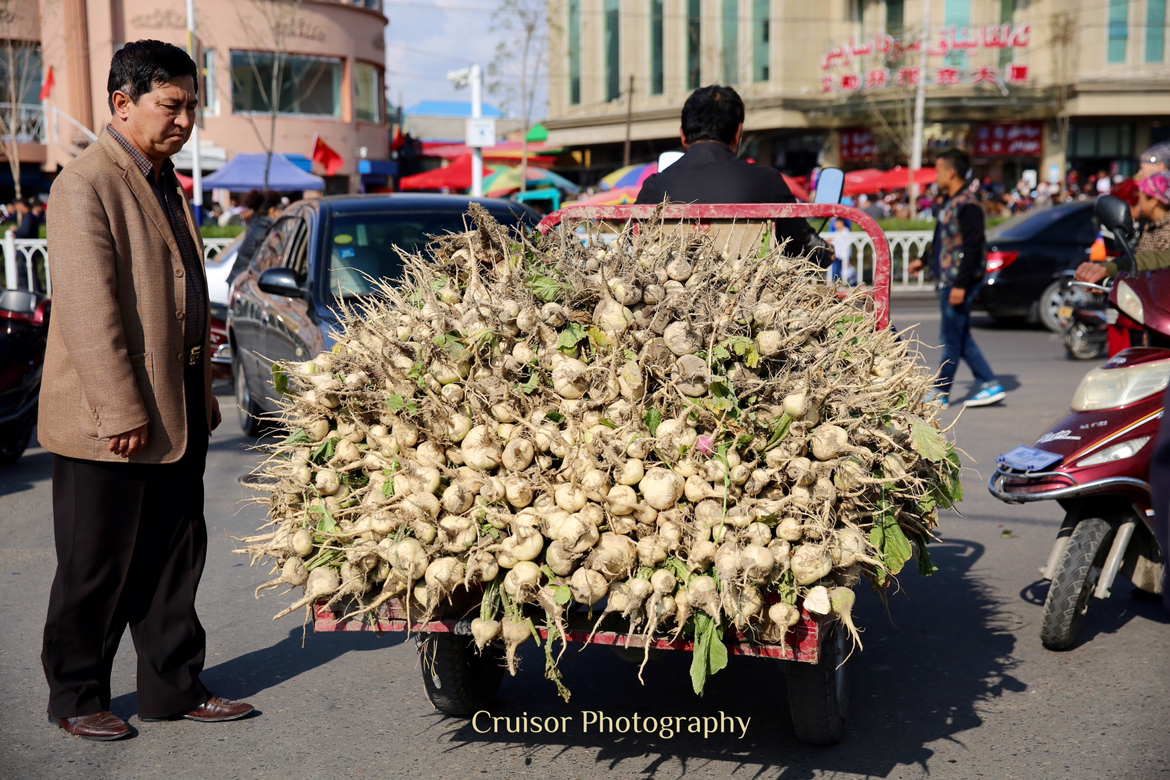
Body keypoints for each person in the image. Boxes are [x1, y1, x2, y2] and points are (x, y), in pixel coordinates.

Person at [38, 39, 254, 742]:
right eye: (173, 105)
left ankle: (174, 686)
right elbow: (87, 309)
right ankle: (76, 695)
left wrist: (200, 361)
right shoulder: (86, 184)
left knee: (172, 559)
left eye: (192, 105)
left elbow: (167, 291)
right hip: (113, 418)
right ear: (122, 103)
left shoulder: (163, 179)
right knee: (97, 567)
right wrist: (121, 409)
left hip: (177, 405)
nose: (186, 120)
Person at [636, 85, 829, 263]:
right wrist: (826, 251)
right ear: (738, 133)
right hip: (748, 298)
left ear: (683, 134)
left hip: (669, 297)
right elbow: (802, 248)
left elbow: (632, 245)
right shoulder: (767, 182)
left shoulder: (653, 188)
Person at [908, 148, 1004, 409]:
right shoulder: (948, 201)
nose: (936, 176)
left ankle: (942, 392)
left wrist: (961, 285)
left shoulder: (968, 205)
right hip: (949, 280)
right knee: (959, 336)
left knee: (952, 337)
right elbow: (942, 240)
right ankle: (988, 383)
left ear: (951, 172)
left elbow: (974, 248)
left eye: (938, 170)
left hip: (958, 281)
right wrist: (925, 260)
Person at [227, 189, 283, 285]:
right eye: (281, 209)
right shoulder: (265, 231)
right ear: (273, 210)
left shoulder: (258, 224)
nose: (283, 213)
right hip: (243, 283)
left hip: (239, 280)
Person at [827, 217, 854, 285]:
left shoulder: (846, 232)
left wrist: (847, 258)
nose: (835, 224)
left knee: (840, 274)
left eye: (836, 222)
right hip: (835, 257)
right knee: (834, 273)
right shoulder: (836, 233)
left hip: (842, 257)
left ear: (841, 223)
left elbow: (848, 247)